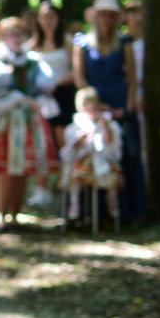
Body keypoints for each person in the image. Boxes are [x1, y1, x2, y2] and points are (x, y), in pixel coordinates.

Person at [0, 17, 56, 231]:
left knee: (22, 171)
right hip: (5, 123)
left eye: (19, 34)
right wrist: (22, 98)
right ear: (3, 37)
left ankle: (15, 215)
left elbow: (46, 84)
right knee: (7, 170)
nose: (15, 38)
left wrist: (32, 100)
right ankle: (3, 215)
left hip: (27, 122)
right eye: (10, 34)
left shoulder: (32, 60)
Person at [74, 0, 144, 223]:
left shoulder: (124, 43)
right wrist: (94, 105)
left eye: (111, 15)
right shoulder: (82, 44)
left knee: (127, 155)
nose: (107, 20)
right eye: (103, 15)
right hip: (93, 104)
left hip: (120, 105)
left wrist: (128, 106)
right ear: (95, 16)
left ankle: (130, 212)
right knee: (93, 153)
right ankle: (93, 213)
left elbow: (132, 79)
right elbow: (80, 78)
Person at [31, 1, 74, 207]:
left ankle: (65, 185)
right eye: (44, 17)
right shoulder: (32, 44)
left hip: (62, 96)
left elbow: (77, 70)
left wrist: (57, 82)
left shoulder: (67, 41)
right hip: (41, 100)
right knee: (42, 142)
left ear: (58, 19)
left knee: (62, 141)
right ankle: (42, 188)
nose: (47, 21)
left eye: (51, 17)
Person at [62, 87, 123, 227]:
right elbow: (69, 152)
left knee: (109, 172)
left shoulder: (108, 123)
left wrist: (106, 128)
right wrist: (79, 142)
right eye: (86, 104)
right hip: (82, 165)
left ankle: (112, 207)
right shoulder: (74, 126)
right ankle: (74, 205)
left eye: (93, 104)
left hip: (104, 162)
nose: (90, 108)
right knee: (74, 172)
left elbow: (113, 149)